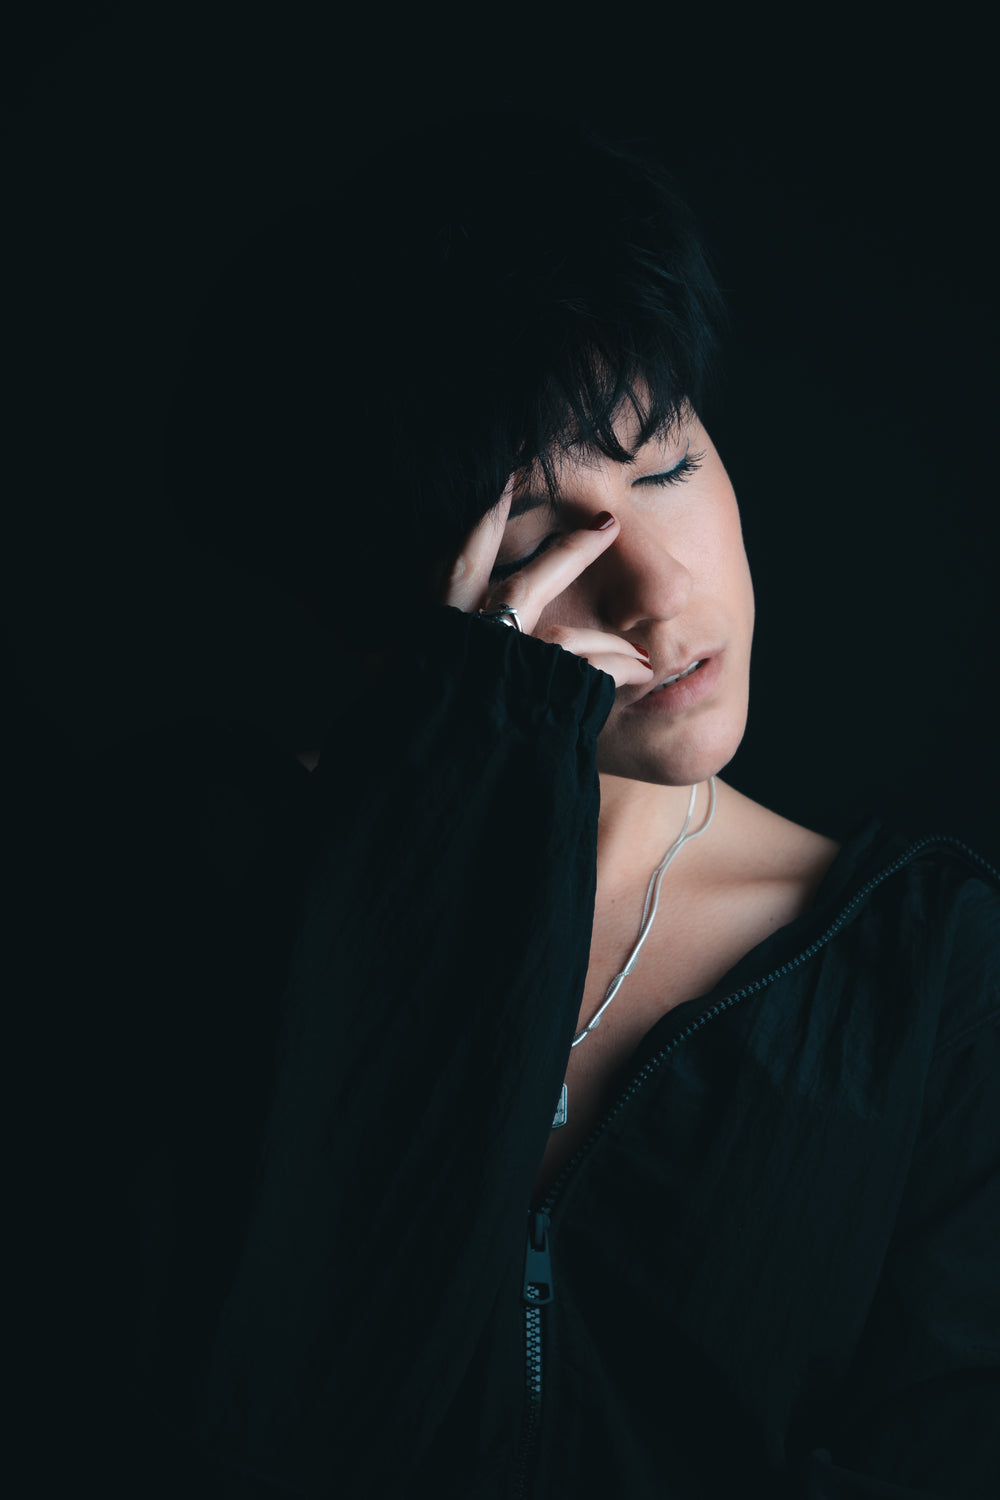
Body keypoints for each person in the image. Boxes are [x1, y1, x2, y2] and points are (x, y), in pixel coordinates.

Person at [84, 108, 998, 1497]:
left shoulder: (929, 972)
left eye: (667, 469)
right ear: (406, 610)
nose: (652, 592)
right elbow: (247, 1416)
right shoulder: (212, 884)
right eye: (539, 541)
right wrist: (478, 772)